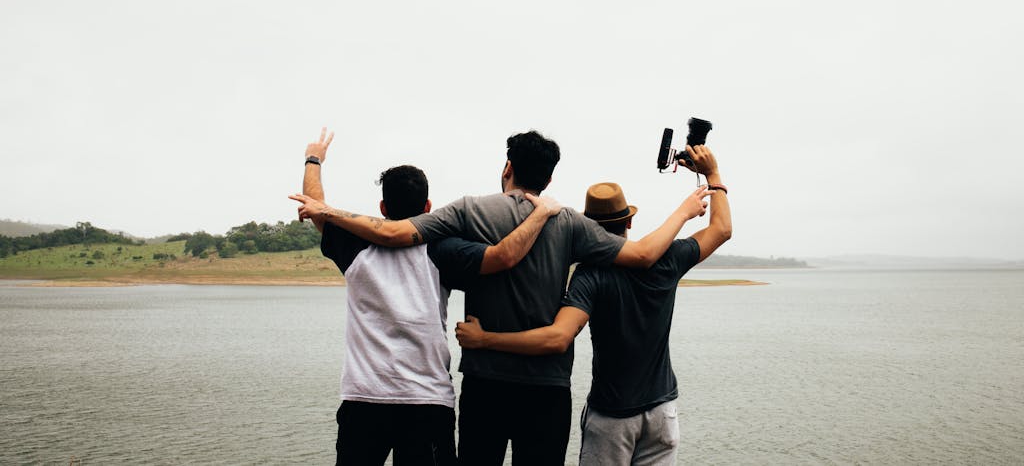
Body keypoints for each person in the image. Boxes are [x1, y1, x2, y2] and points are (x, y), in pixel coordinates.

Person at [290, 130, 713, 465]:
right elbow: (640, 254)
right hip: (541, 388)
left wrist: (315, 168)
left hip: (476, 384)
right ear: (549, 179)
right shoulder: (557, 223)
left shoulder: (465, 214)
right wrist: (686, 209)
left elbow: (386, 230)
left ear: (507, 166)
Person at [455, 145, 733, 466]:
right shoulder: (668, 260)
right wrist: (713, 175)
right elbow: (721, 229)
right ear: (628, 222)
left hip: (612, 417)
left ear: (589, 229)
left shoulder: (590, 277)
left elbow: (557, 338)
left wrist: (485, 339)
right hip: (663, 413)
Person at [299, 128, 560, 466]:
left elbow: (315, 206)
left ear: (382, 206)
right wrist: (541, 213)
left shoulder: (354, 247)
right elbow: (502, 256)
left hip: (363, 400)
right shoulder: (442, 249)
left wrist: (313, 159)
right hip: (427, 402)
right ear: (428, 207)